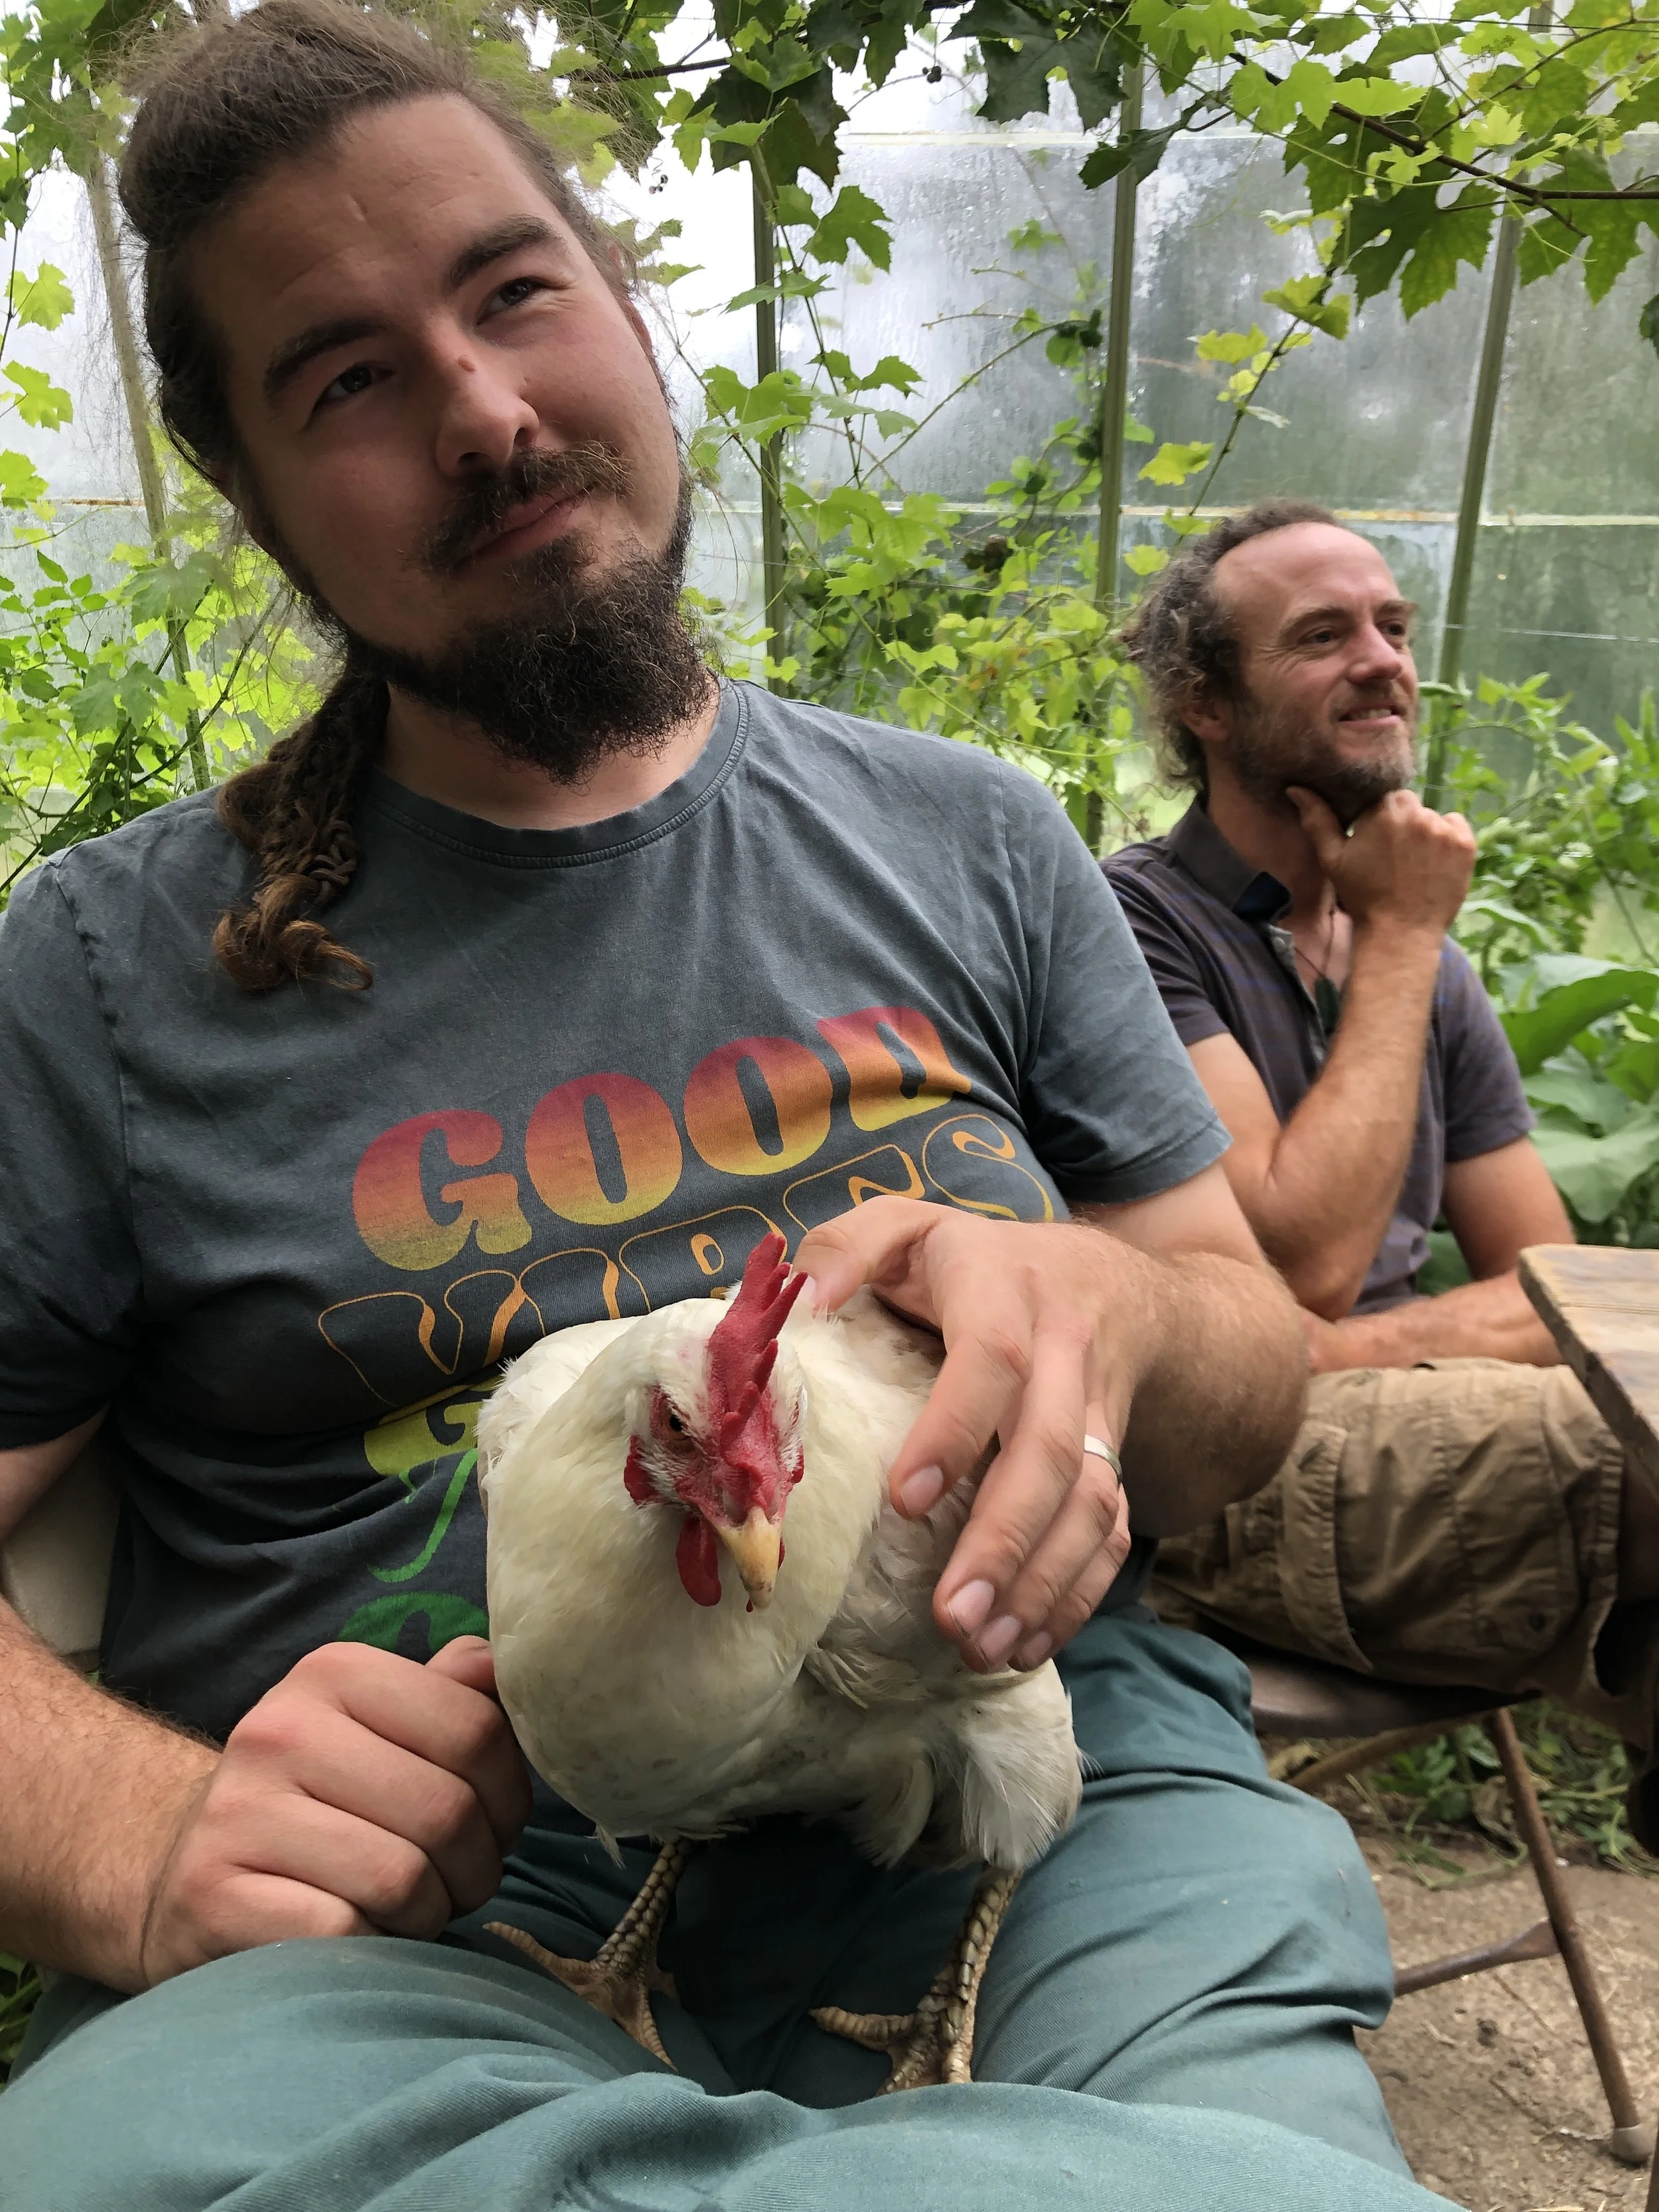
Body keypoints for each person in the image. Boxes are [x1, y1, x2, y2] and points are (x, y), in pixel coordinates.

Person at [0, 15, 1448, 2205]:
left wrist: (1121, 1312)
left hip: (1030, 1802)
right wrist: (133, 1838)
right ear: (254, 497)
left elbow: (1250, 1372)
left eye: (514, 294)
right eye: (349, 377)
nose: (485, 409)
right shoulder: (109, 967)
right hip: (439, 1899)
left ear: (626, 305)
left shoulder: (966, 837)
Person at [1106, 498, 1659, 1850]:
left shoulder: (1429, 968)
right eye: (1319, 635)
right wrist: (1401, 932)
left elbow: (1556, 1290)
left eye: (1392, 627)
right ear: (1205, 704)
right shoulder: (1130, 926)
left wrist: (1334, 1349)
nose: (1380, 659)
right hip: (1222, 1477)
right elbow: (1298, 1260)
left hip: (1401, 1435)